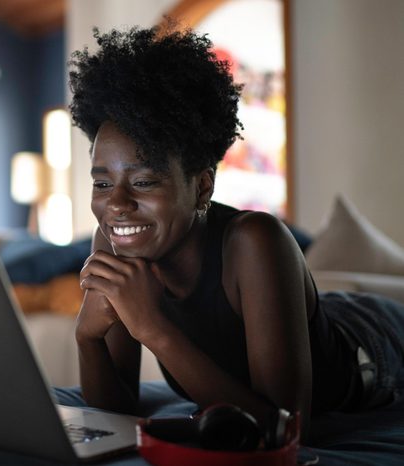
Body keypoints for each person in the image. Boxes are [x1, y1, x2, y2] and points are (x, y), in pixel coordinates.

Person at [68, 23, 404, 442]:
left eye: (144, 181)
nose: (116, 204)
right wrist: (87, 337)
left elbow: (285, 429)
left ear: (203, 185)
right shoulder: (117, 244)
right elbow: (114, 414)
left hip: (374, 345)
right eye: (102, 184)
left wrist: (151, 326)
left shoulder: (256, 240)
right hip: (320, 316)